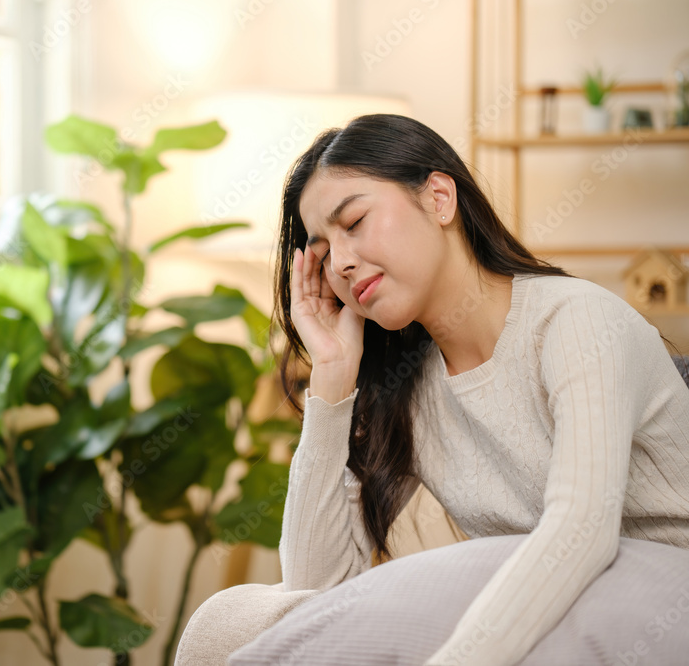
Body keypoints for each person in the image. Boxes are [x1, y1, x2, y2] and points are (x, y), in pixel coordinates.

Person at [175, 113, 689, 666]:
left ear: (439, 198)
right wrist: (331, 376)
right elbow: (315, 588)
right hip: (544, 594)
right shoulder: (408, 384)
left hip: (656, 583)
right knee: (228, 622)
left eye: (355, 221)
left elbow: (581, 534)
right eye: (323, 253)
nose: (342, 262)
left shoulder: (578, 322)